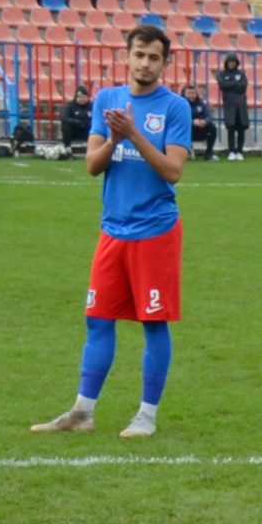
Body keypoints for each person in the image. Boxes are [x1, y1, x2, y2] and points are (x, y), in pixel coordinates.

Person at [32, 25, 189, 440]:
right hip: (113, 231)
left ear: (165, 63)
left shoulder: (175, 108)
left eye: (154, 57)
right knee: (98, 319)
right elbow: (92, 165)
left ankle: (147, 416)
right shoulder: (106, 100)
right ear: (127, 56)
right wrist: (114, 138)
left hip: (155, 231)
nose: (145, 63)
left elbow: (173, 171)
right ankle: (82, 412)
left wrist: (133, 134)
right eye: (139, 55)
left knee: (153, 323)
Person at [215, 52, 247, 158]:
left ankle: (240, 151)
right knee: (231, 128)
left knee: (241, 128)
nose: (231, 64)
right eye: (230, 62)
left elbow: (243, 86)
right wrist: (235, 83)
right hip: (229, 104)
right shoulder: (222, 74)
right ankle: (231, 151)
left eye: (233, 62)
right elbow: (222, 85)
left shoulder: (241, 73)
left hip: (241, 104)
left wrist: (230, 84)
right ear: (226, 63)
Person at [59, 81, 93, 152]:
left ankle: (93, 150)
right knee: (66, 125)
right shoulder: (70, 105)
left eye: (84, 97)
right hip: (75, 130)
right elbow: (64, 117)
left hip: (88, 130)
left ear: (87, 97)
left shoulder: (92, 106)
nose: (82, 99)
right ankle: (68, 150)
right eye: (79, 97)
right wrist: (76, 122)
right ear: (75, 98)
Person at [189, 88, 215, 159]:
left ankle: (209, 153)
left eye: (193, 93)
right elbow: (180, 119)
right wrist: (192, 122)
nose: (192, 95)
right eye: (189, 93)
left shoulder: (201, 103)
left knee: (212, 127)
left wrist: (204, 122)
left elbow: (209, 117)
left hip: (200, 128)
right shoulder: (182, 103)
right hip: (187, 131)